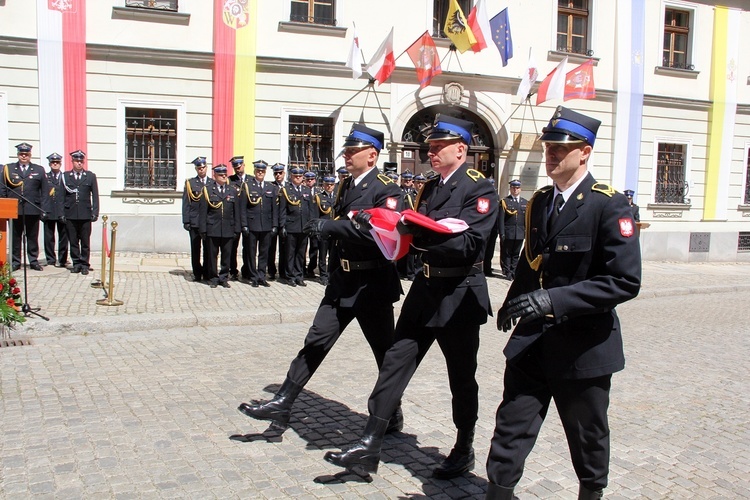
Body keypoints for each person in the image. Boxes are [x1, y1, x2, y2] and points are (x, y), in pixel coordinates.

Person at [324, 115, 498, 479]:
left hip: (459, 294)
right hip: (425, 288)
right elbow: (415, 237)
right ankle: (371, 441)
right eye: (429, 148)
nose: (431, 153)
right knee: (394, 363)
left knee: (461, 377)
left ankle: (464, 445)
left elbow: (470, 244)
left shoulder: (480, 189)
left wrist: (422, 234)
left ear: (461, 150)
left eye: (438, 147)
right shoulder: (429, 189)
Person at [486, 106, 642, 500]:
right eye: (548, 147)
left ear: (584, 152)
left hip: (583, 347)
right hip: (533, 342)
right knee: (510, 427)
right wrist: (513, 300)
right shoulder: (539, 202)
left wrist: (552, 300)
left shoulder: (609, 206)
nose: (551, 154)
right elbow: (531, 259)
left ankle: (591, 493)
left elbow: (624, 281)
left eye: (561, 148)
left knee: (587, 437)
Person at [238, 123, 404, 435]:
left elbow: (380, 232)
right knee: (316, 340)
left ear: (372, 155)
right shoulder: (346, 186)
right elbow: (347, 221)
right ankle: (283, 401)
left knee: (384, 354)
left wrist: (328, 228)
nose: (346, 155)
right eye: (347, 151)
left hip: (372, 286)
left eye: (352, 151)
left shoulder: (387, 190)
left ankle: (390, 413)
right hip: (343, 281)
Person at [2, 142, 49, 271]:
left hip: (33, 208)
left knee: (32, 237)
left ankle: (33, 260)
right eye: (21, 154)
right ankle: (16, 261)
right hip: (15, 209)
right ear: (18, 155)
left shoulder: (39, 170)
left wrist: (43, 209)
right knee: (15, 237)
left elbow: (44, 191)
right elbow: (3, 189)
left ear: (30, 155)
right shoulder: (9, 169)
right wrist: (6, 208)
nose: (24, 156)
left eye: (26, 154)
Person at [199, 164, 241, 288]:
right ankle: (213, 277)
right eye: (221, 175)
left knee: (226, 255)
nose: (223, 177)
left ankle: (223, 277)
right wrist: (203, 229)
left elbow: (236, 211)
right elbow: (203, 212)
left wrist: (237, 228)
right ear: (215, 176)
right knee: (212, 255)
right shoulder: (208, 190)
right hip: (213, 228)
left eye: (225, 175)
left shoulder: (232, 190)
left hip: (228, 228)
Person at [61, 150, 99, 275]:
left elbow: (95, 195)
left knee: (85, 241)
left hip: (85, 214)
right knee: (73, 241)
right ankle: (76, 263)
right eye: (77, 161)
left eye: (81, 161)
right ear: (72, 162)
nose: (79, 163)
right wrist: (62, 213)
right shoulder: (66, 176)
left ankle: (85, 264)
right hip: (70, 214)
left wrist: (95, 211)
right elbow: (62, 196)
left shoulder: (90, 176)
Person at [239, 160, 275, 287]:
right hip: (252, 225)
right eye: (258, 171)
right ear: (254, 172)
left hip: (266, 225)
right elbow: (242, 208)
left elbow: (274, 209)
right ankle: (253, 276)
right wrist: (244, 225)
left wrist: (274, 225)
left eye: (262, 171)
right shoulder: (247, 186)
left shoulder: (271, 187)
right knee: (251, 252)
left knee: (264, 253)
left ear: (265, 172)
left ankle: (261, 276)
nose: (260, 173)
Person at [278, 167, 313, 287]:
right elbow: (282, 210)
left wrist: (311, 224)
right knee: (290, 253)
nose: (298, 178)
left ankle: (299, 275)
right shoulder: (286, 190)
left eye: (300, 176)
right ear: (291, 176)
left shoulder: (306, 190)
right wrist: (282, 225)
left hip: (304, 226)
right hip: (291, 226)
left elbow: (310, 209)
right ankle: (290, 276)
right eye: (295, 176)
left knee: (301, 253)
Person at [182, 156, 212, 282]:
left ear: (206, 167)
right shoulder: (190, 183)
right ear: (196, 169)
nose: (202, 170)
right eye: (199, 168)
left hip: (208, 222)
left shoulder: (212, 183)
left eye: (203, 167)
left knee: (208, 249)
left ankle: (207, 272)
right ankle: (197, 273)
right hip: (194, 222)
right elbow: (186, 203)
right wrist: (186, 220)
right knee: (195, 249)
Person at [43, 152, 69, 268]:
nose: (55, 164)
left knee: (63, 237)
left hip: (62, 211)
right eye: (53, 162)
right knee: (49, 237)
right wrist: (42, 210)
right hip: (49, 210)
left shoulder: (64, 178)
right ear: (49, 164)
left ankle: (62, 259)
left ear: (60, 164)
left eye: (57, 162)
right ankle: (50, 259)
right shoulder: (45, 177)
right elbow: (42, 194)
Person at [498, 179, 527, 280]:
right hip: (508, 232)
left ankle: (514, 271)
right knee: (507, 253)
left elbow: (526, 219)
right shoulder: (505, 202)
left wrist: (526, 232)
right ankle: (507, 271)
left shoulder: (525, 202)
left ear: (520, 189)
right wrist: (501, 233)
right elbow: (501, 219)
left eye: (517, 188)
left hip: (519, 232)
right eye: (513, 188)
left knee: (516, 253)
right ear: (510, 189)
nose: (515, 190)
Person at [312, 175, 335, 286]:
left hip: (334, 231)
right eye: (327, 184)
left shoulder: (336, 197)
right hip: (324, 230)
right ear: (323, 185)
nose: (329, 187)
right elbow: (316, 216)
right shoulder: (319, 197)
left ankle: (331, 274)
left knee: (333, 254)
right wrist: (317, 230)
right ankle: (323, 276)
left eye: (331, 185)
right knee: (322, 255)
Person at [267, 163, 287, 282]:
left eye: (280, 173)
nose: (278, 175)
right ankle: (271, 271)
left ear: (284, 173)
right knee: (271, 248)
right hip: (272, 221)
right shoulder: (270, 187)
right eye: (276, 173)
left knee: (284, 248)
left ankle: (283, 271)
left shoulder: (288, 186)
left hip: (284, 222)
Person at [228, 156, 247, 281]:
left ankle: (247, 270)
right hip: (234, 218)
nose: (237, 170)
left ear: (244, 165)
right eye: (235, 167)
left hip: (248, 218)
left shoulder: (250, 180)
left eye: (239, 167)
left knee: (248, 247)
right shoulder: (230, 180)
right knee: (232, 246)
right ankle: (233, 270)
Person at [397, 170, 417, 281]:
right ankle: (400, 272)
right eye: (405, 180)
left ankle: (410, 273)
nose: (407, 182)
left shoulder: (415, 193)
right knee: (401, 248)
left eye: (409, 180)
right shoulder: (398, 191)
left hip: (412, 223)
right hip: (400, 222)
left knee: (411, 250)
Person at [304, 171, 320, 280]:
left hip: (315, 223)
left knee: (314, 247)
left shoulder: (319, 192)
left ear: (315, 180)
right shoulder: (302, 191)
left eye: (311, 179)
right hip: (304, 223)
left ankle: (311, 269)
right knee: (303, 248)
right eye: (307, 179)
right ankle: (302, 268)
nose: (309, 181)